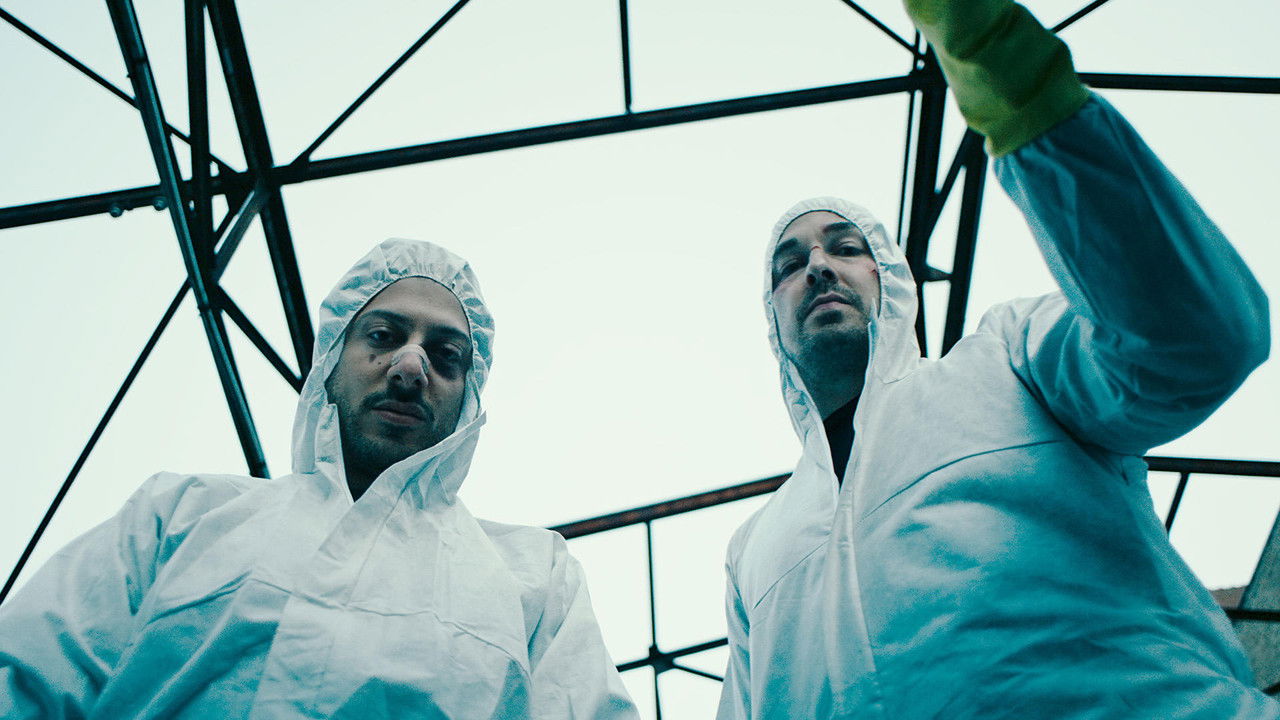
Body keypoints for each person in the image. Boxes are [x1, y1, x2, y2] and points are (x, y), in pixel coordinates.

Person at [717, 1, 1277, 718]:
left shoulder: (1008, 359)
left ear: (891, 284)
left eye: (846, 247)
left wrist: (1020, 90)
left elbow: (1191, 343)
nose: (819, 266)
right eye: (790, 264)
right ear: (773, 321)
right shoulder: (754, 551)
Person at [0, 239, 638, 719]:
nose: (410, 367)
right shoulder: (182, 514)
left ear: (467, 399)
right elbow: (25, 679)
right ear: (329, 361)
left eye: (446, 356)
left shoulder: (535, 579)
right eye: (383, 335)